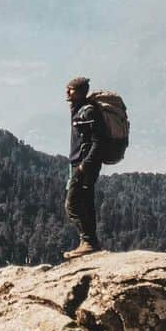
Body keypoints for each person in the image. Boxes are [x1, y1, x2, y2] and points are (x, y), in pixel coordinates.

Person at [63, 75, 103, 258]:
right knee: (86, 203)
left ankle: (88, 241)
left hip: (84, 166)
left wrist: (84, 166)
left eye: (70, 89)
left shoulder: (88, 112)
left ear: (79, 92)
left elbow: (97, 141)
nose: (66, 92)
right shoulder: (79, 109)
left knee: (72, 205)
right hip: (79, 165)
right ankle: (90, 242)